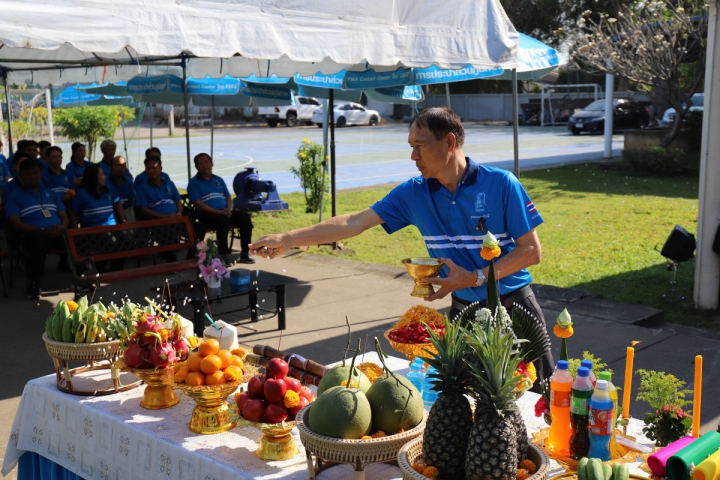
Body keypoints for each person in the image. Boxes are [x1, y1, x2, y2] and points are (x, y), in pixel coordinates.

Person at [250, 107, 555, 385]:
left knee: (538, 399)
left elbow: (531, 251)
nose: (413, 156)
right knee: (468, 402)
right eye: (411, 146)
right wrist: (287, 239)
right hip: (464, 314)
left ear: (449, 142)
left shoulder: (501, 184)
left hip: (513, 308)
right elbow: (353, 222)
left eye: (419, 145)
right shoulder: (414, 193)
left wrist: (474, 278)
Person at [5, 158, 69, 299]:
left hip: (57, 233)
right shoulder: (14, 196)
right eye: (29, 174)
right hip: (31, 236)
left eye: (36, 173)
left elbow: (64, 217)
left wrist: (61, 227)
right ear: (21, 176)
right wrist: (41, 230)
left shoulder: (51, 193)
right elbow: (15, 222)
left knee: (75, 235)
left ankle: (81, 274)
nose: (33, 177)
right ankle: (34, 281)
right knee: (39, 237)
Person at [187, 152, 254, 263]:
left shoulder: (218, 180)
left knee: (244, 217)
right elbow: (197, 203)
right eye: (201, 163)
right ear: (196, 166)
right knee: (223, 220)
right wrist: (219, 213)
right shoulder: (193, 183)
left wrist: (229, 210)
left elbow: (228, 198)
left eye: (206, 162)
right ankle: (223, 254)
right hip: (207, 216)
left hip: (224, 212)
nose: (204, 165)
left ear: (212, 163)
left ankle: (245, 253)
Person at [69, 163, 125, 228]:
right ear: (94, 176)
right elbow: (73, 213)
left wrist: (123, 220)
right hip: (93, 230)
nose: (105, 177)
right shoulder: (82, 193)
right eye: (101, 174)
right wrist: (77, 231)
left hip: (112, 228)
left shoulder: (109, 190)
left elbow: (117, 202)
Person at [107, 155, 136, 221]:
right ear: (111, 167)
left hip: (127, 212)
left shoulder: (129, 182)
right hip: (111, 214)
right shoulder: (106, 182)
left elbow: (132, 200)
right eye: (117, 165)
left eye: (122, 166)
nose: (119, 168)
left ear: (125, 168)